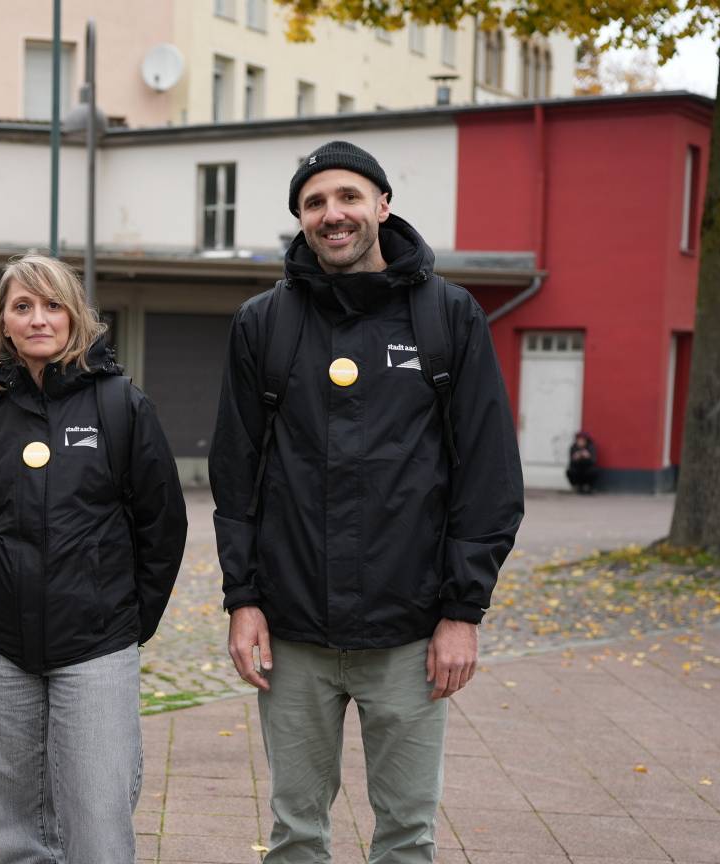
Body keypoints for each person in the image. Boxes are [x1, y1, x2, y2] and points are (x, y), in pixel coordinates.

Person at [209, 140, 524, 863]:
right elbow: (237, 477)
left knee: (408, 836)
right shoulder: (265, 324)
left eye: (349, 197)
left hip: (411, 636)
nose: (333, 214)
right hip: (291, 636)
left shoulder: (449, 319)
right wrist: (244, 600)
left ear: (382, 205)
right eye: (315, 203)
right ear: (300, 218)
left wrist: (460, 613)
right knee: (295, 834)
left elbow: (489, 480)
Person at [0, 254, 188, 864]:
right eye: (22, 306)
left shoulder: (122, 407)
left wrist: (128, 620)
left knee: (96, 819)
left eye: (52, 305)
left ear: (78, 317)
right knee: (11, 822)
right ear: (2, 321)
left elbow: (163, 526)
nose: (38, 319)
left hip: (97, 645)